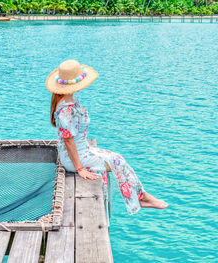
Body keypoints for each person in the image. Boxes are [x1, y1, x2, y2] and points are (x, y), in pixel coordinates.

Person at [46, 59, 168, 215]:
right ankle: (141, 198)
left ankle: (141, 196)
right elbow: (68, 141)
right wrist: (80, 168)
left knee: (118, 158)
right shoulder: (66, 110)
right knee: (116, 162)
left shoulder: (69, 100)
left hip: (82, 150)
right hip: (74, 158)